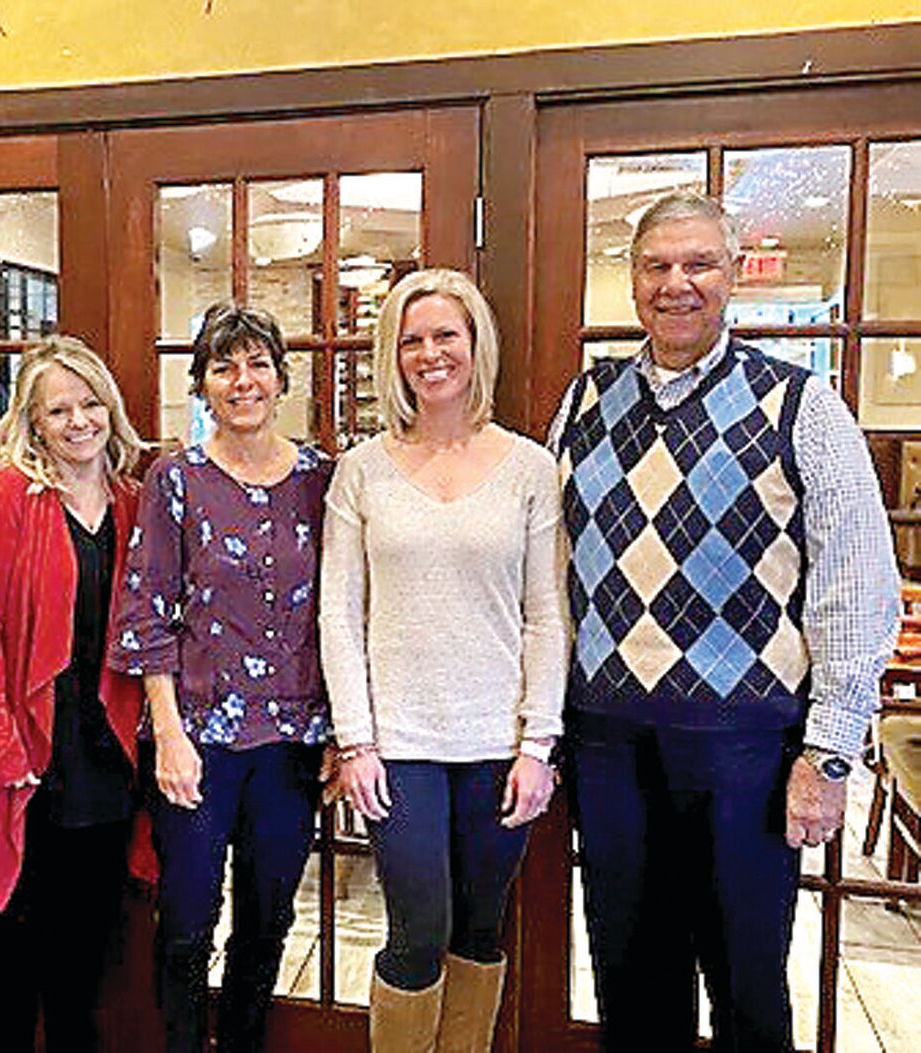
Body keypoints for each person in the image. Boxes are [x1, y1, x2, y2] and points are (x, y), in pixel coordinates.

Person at [550, 191, 900, 1052]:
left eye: (699, 263)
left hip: (747, 748)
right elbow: (545, 573)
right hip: (608, 742)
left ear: (733, 275)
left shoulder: (801, 409)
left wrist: (830, 753)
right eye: (657, 265)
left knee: (747, 986)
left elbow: (858, 592)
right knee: (631, 983)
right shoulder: (583, 402)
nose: (678, 284)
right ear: (633, 281)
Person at [320, 269, 568, 1052]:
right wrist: (356, 740)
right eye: (412, 340)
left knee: (480, 929)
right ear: (394, 356)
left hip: (499, 743)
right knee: (417, 929)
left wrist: (538, 743)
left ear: (475, 347)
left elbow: (546, 613)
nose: (430, 354)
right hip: (399, 746)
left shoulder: (531, 469)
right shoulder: (361, 469)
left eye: (445, 337)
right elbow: (339, 614)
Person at [108, 303, 333, 1053]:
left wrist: (343, 731)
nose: (244, 381)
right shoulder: (176, 480)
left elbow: (343, 610)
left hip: (293, 739)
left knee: (269, 917)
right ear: (202, 383)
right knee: (187, 918)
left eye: (258, 363)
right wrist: (168, 735)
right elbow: (145, 613)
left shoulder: (321, 479)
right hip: (197, 739)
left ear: (281, 375)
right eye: (225, 366)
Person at [0, 336, 149, 1053]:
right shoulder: (4, 501)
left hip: (106, 748)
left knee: (89, 926)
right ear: (34, 421)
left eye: (90, 404)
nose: (79, 421)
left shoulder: (130, 502)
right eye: (59, 409)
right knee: (15, 920)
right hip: (24, 750)